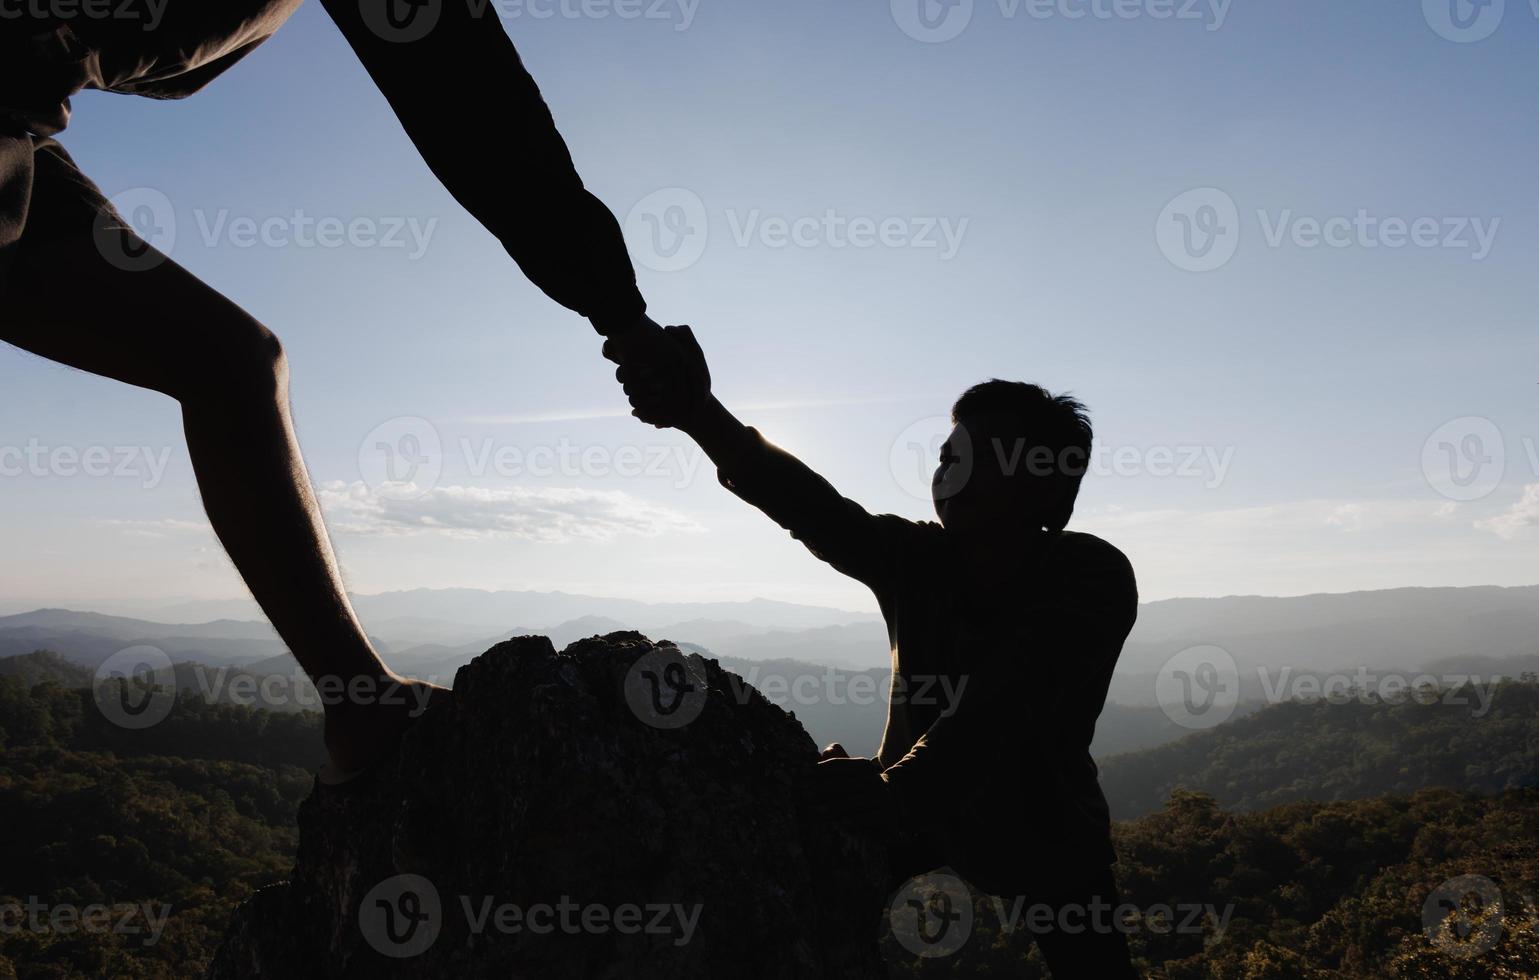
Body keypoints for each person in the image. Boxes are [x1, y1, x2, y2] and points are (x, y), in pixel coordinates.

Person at [1, 3, 679, 780]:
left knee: (232, 363)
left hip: (20, 130)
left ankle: (362, 704)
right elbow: (479, 109)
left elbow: (477, 107)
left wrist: (620, 312)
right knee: (229, 364)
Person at [611, 326, 1141, 977]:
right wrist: (700, 416)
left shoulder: (1089, 574)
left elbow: (1007, 701)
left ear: (1047, 490)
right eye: (948, 457)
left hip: (1041, 826)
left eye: (986, 456)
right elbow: (813, 508)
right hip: (915, 807)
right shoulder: (918, 560)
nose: (952, 469)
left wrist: (892, 791)